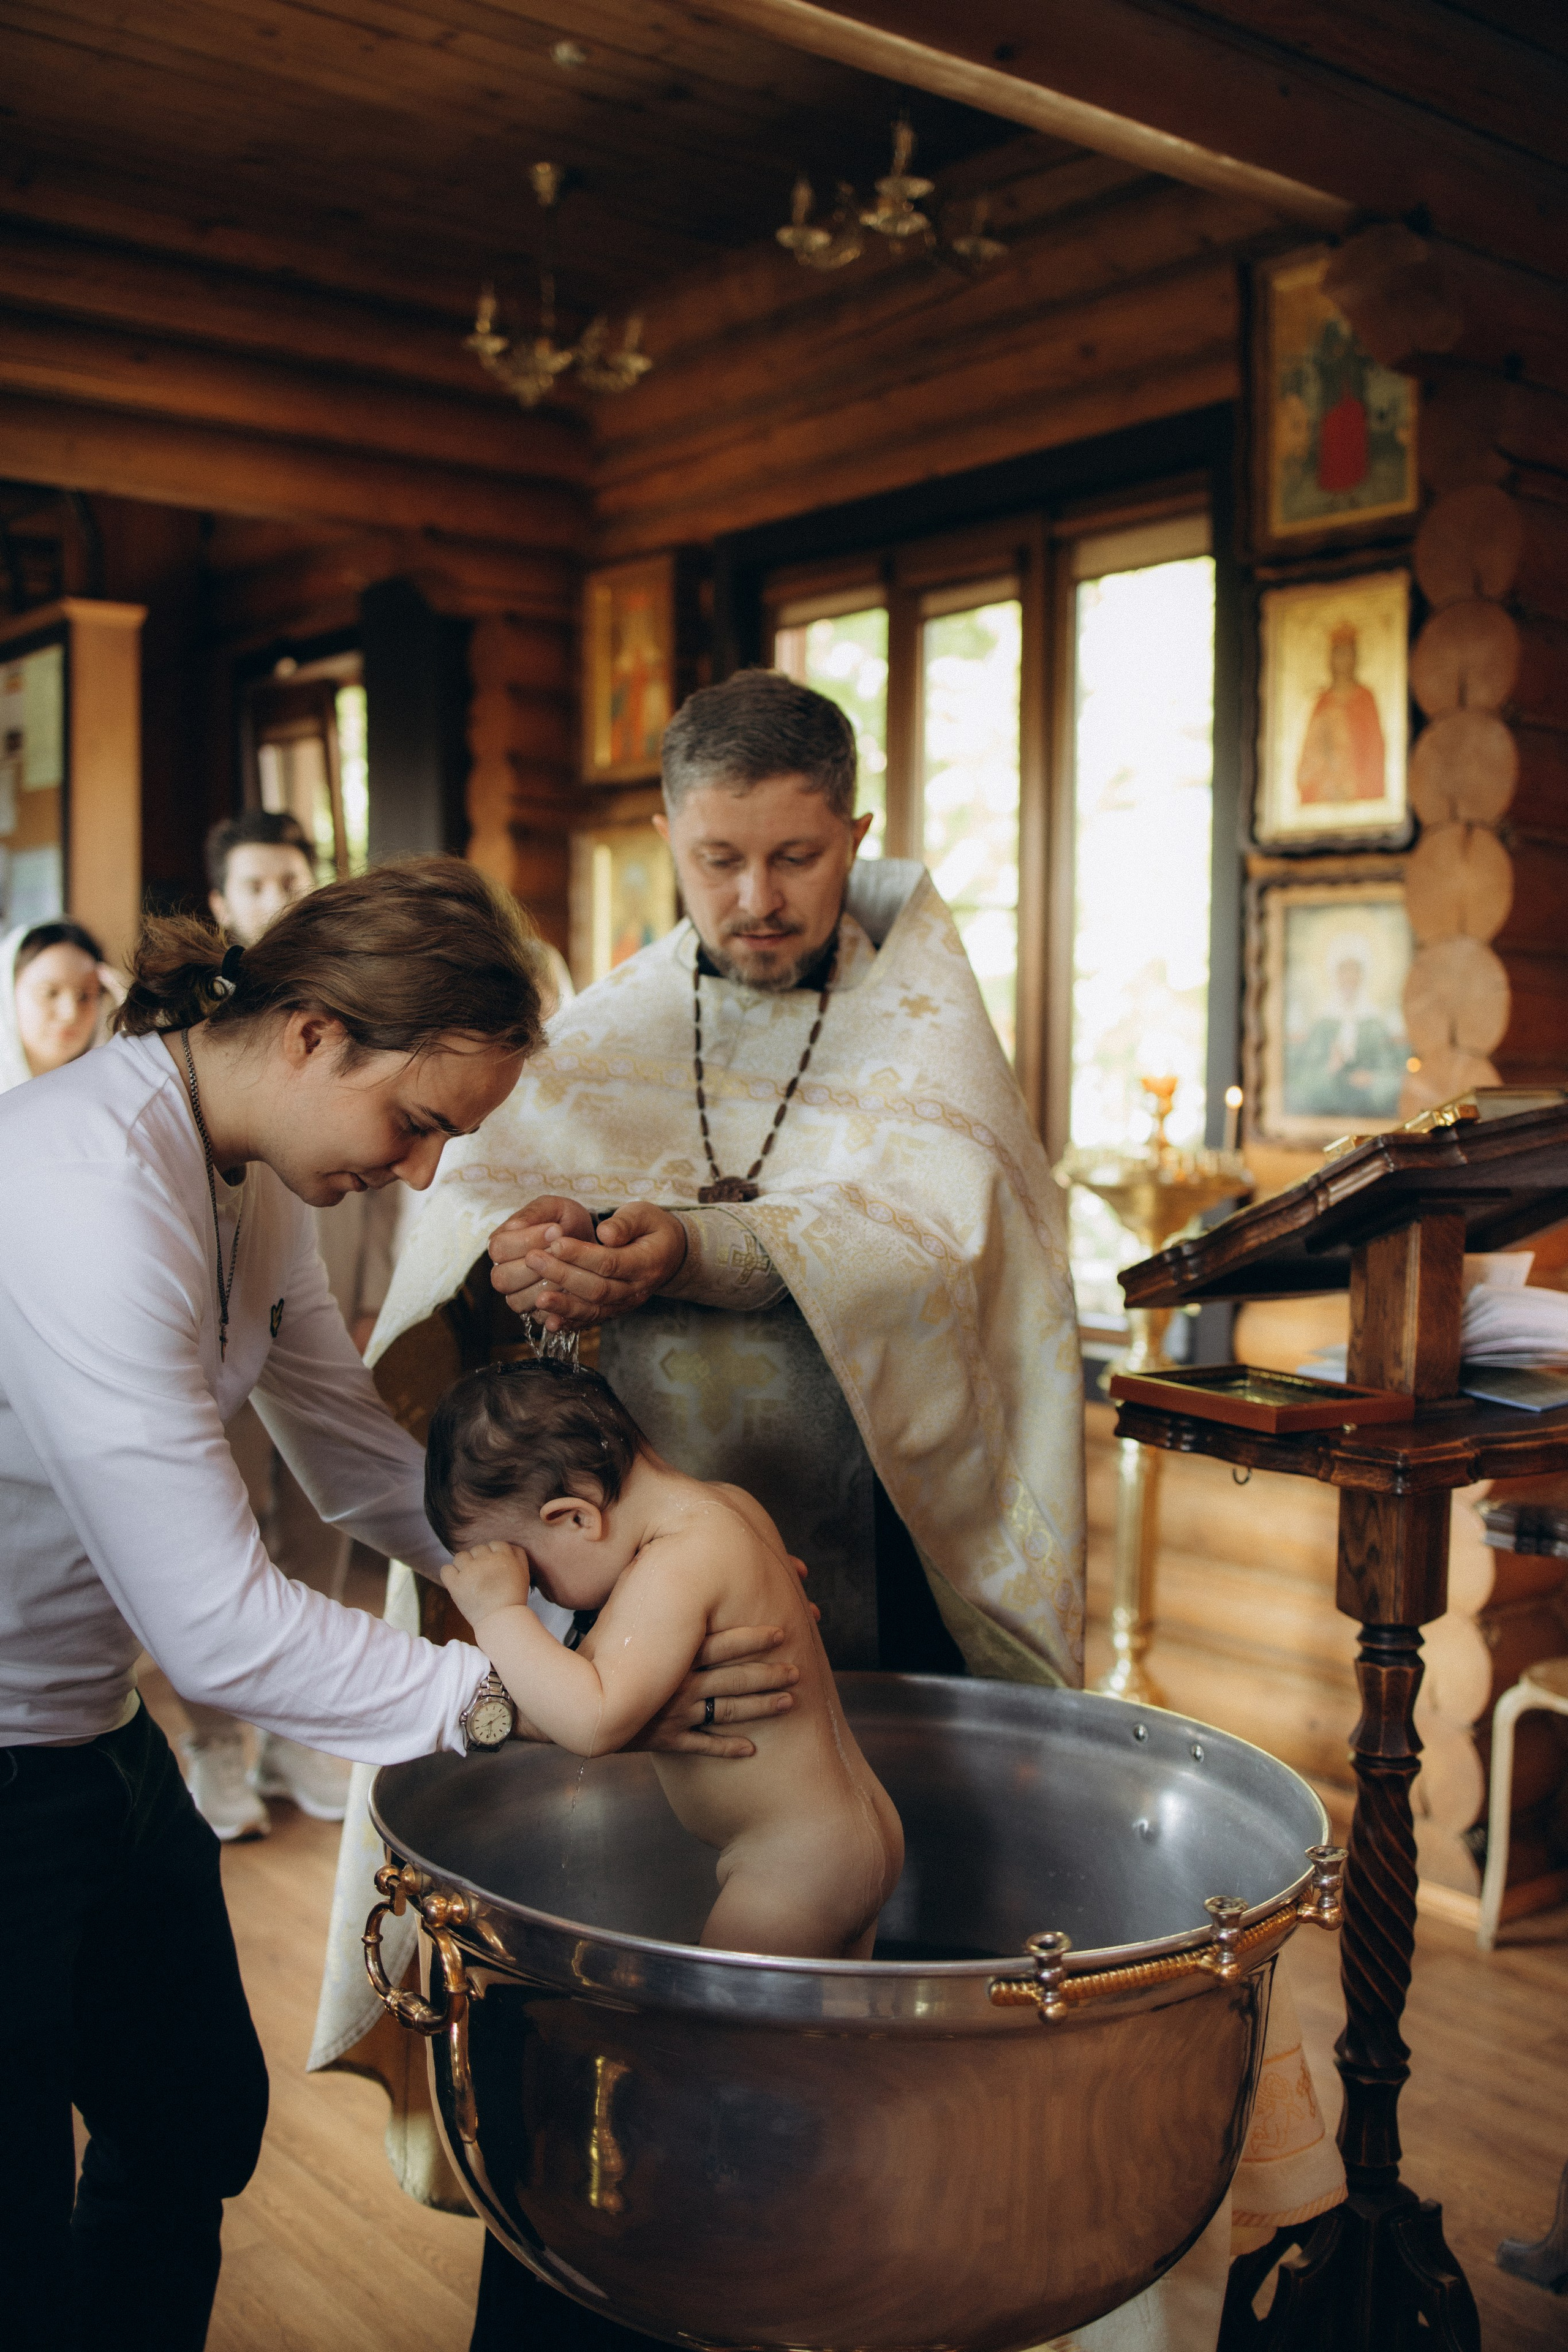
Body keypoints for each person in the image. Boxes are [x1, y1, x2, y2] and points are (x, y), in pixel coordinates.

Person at [333, 673, 1344, 2352]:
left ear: (855, 836)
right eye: (719, 857)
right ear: (668, 836)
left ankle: (857, 2289)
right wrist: (521, 1268)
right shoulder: (601, 1029)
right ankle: (598, 2276)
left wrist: (705, 1246)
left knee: (848, 2045)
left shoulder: (926, 1018)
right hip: (630, 1608)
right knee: (613, 1997)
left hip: (860, 1606)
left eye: (796, 857)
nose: (755, 898)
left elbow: (954, 1250)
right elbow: (472, 1244)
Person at [0, 856, 796, 2352]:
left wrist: (609, 1590)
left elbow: (366, 1464)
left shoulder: (245, 1171)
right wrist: (551, 1703)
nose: (424, 1172)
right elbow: (220, 1626)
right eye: (419, 1120)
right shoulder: (87, 1184)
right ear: (312, 1033)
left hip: (90, 1741)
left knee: (189, 2123)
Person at [429, 1360, 903, 1959]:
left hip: (790, 1867)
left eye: (531, 1576)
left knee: (725, 2047)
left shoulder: (671, 1567)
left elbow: (592, 1721)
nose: (538, 1597)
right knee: (814, 2044)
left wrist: (498, 1616)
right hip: (850, 1835)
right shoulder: (729, 1507)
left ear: (575, 1517)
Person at [1, 918, 118, 1091]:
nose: (70, 1014)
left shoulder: (106, 1095)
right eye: (50, 993)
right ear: (7, 993)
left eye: (84, 996)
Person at [1294, 624, 1386, 804]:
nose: (1343, 660)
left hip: (1357, 789)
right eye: (1338, 653)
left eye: (1348, 653)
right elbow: (1309, 753)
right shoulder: (1323, 702)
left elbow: (1375, 749)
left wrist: (1358, 785)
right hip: (1324, 790)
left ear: (1355, 657)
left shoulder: (1365, 699)